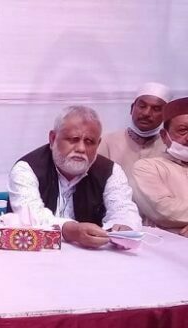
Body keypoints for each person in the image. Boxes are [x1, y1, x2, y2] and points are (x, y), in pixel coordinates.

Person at [8, 105, 141, 249]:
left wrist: (124, 226)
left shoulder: (111, 172)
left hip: (91, 257)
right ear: (53, 139)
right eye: (73, 139)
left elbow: (124, 209)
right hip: (35, 253)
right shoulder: (27, 169)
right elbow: (29, 217)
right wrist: (69, 230)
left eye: (89, 142)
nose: (81, 148)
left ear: (98, 144)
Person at [129, 97, 188, 236]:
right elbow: (164, 210)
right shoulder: (147, 168)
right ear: (164, 136)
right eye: (183, 130)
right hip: (164, 244)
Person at [97, 82, 170, 178]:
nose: (146, 113)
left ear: (166, 114)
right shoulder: (106, 142)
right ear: (132, 109)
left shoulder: (170, 147)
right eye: (142, 106)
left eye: (156, 109)